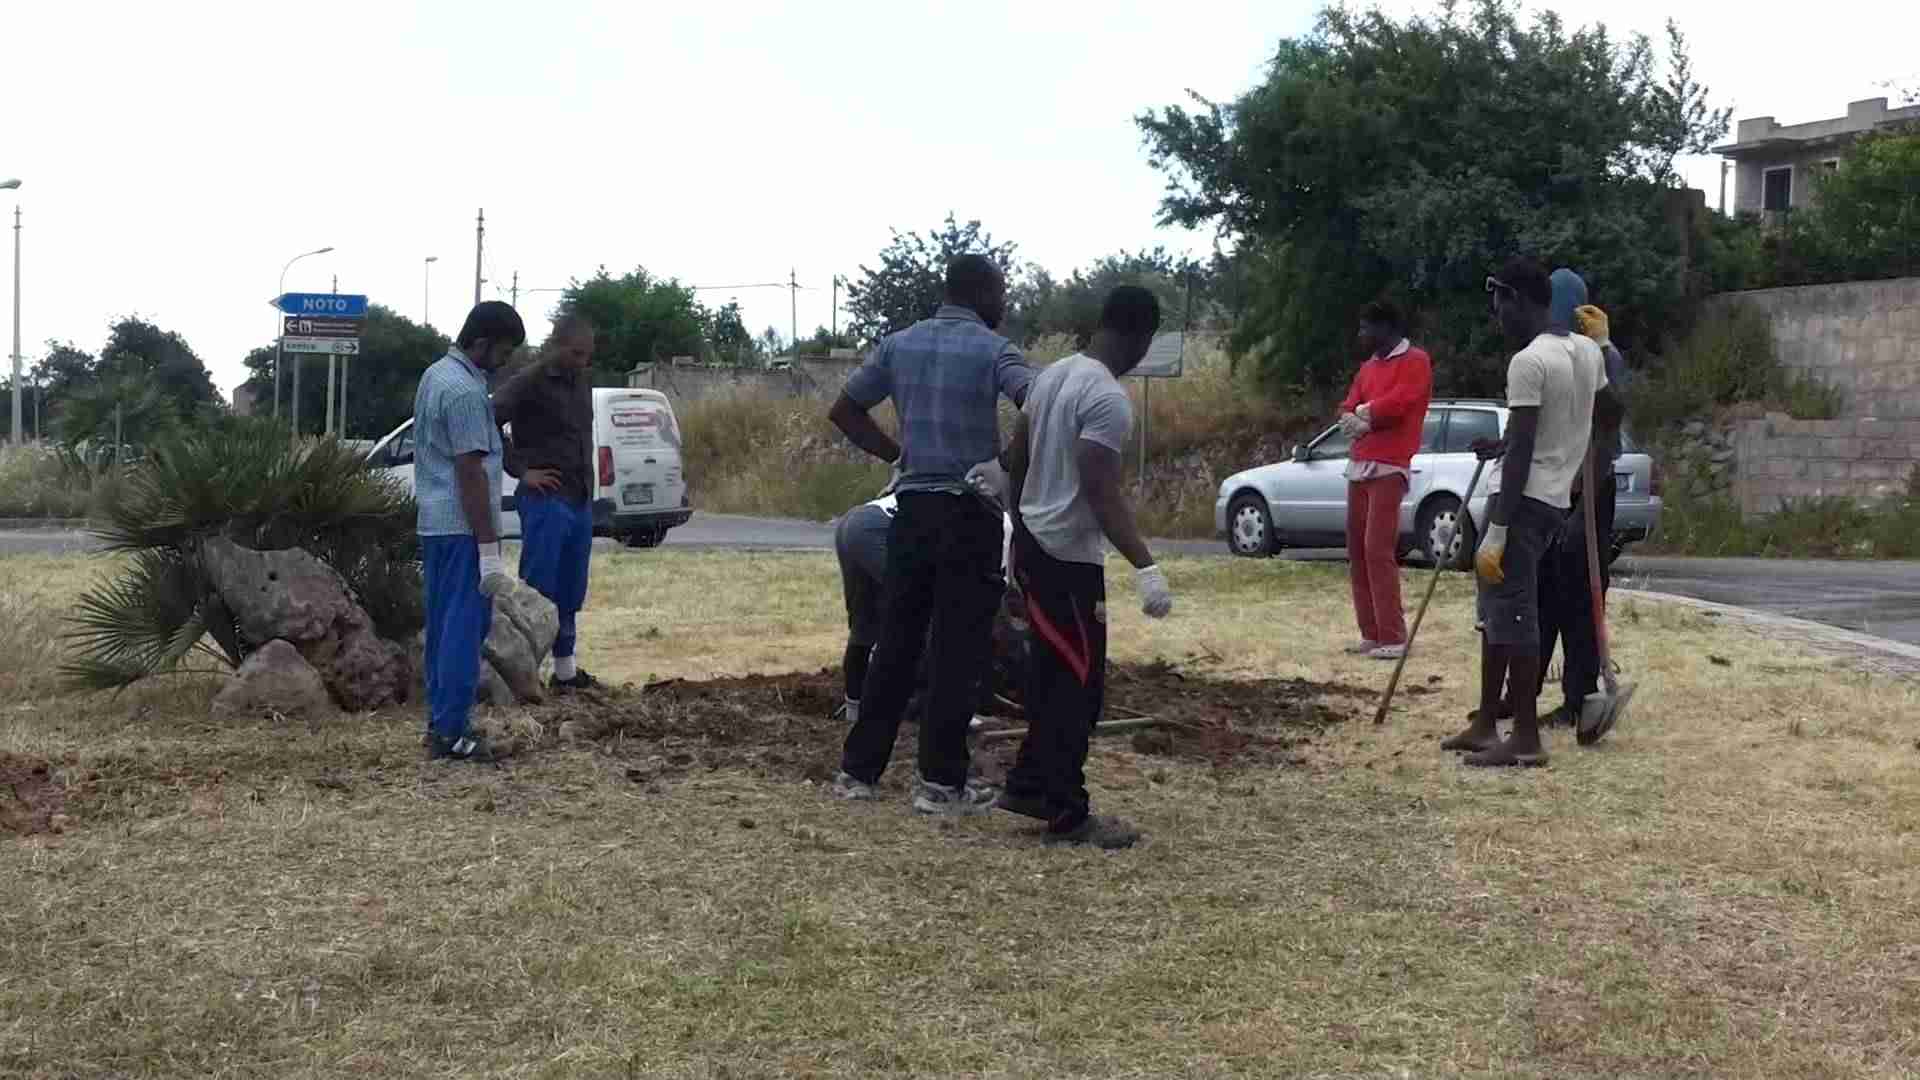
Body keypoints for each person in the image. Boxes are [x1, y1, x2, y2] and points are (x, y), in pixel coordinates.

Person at [826, 254, 1035, 814]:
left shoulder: (899, 344)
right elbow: (1039, 403)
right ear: (983, 293)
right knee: (955, 651)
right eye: (1002, 293)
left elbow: (845, 410)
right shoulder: (995, 350)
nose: (1005, 303)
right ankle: (940, 785)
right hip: (969, 512)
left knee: (896, 643)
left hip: (911, 512)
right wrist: (1006, 465)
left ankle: (858, 774)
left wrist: (900, 455)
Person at [996, 286, 1171, 849]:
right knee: (1078, 687)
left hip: (1035, 548)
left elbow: (1015, 459)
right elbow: (1100, 487)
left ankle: (1026, 784)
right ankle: (1068, 813)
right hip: (1067, 559)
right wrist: (1145, 565)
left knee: (1053, 677)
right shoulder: (1107, 398)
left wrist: (1019, 533)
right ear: (1143, 338)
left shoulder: (1050, 377)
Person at [1444, 258, 1619, 767]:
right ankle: (1484, 723)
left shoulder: (1527, 361)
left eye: (1499, 303)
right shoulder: (1587, 352)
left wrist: (1497, 528)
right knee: (1500, 609)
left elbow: (1523, 449)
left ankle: (1524, 737)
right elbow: (1609, 413)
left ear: (1519, 300)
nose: (1496, 314)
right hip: (1552, 499)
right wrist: (1605, 351)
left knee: (1516, 613)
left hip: (1520, 503)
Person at [415, 301, 526, 762]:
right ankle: (454, 734)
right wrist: (489, 549)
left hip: (435, 523)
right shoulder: (463, 391)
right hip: (463, 528)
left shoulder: (434, 375)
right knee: (463, 630)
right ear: (480, 343)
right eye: (503, 351)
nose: (506, 361)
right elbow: (471, 473)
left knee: (443, 629)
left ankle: (440, 724)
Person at [832, 463, 1014, 729]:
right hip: (879, 531)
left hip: (854, 521)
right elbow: (995, 588)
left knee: (865, 623)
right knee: (935, 616)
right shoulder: (1001, 523)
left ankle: (854, 710)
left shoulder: (944, 487)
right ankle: (940, 709)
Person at [493, 311, 599, 693]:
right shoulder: (529, 381)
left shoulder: (582, 381)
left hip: (579, 499)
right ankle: (527, 677)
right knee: (540, 590)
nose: (581, 362)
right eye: (575, 353)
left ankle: (566, 674)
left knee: (572, 589)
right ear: (555, 345)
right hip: (545, 500)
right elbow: (488, 418)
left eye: (587, 355)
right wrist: (522, 471)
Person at [1335, 300, 1434, 661]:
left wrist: (1366, 414)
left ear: (1386, 328)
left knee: (1378, 548)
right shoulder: (1368, 367)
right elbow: (1347, 404)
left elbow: (1404, 400)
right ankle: (1371, 632)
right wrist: (1351, 417)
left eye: (1366, 328)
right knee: (1358, 550)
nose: (1362, 335)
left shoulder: (1416, 360)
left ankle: (1393, 634)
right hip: (1360, 462)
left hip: (1390, 464)